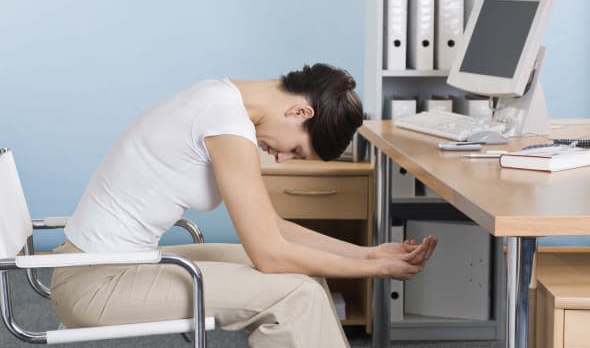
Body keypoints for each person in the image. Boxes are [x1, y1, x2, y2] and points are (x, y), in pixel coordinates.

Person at [51, 63, 437, 348]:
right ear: (300, 113)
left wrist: (368, 255)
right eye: (298, 149)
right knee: (294, 296)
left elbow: (273, 227)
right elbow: (270, 254)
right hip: (95, 283)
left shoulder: (219, 97)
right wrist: (376, 269)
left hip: (113, 263)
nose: (283, 159)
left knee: (308, 278)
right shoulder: (224, 120)